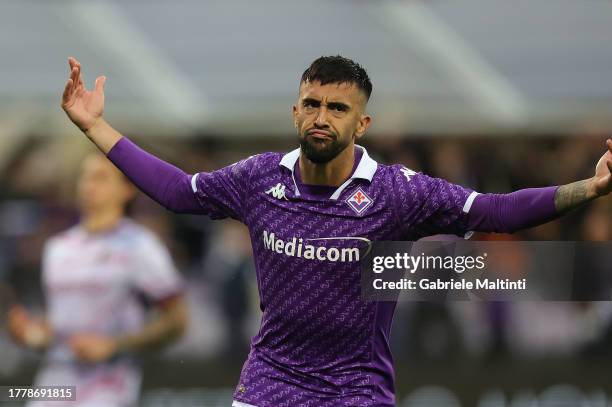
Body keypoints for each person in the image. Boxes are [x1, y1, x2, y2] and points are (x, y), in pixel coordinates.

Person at [61, 55, 612, 407]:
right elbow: (178, 191)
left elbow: (493, 211)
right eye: (313, 104)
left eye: (338, 108)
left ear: (361, 123)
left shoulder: (396, 192)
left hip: (355, 392)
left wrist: (587, 189)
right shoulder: (259, 179)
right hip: (269, 385)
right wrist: (95, 125)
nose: (322, 116)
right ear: (296, 112)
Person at [7, 153, 188, 407]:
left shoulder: (140, 245)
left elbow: (177, 321)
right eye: (84, 177)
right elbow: (59, 324)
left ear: (126, 190)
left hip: (109, 386)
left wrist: (114, 345)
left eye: (100, 178)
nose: (88, 186)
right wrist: (31, 334)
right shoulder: (58, 247)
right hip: (55, 385)